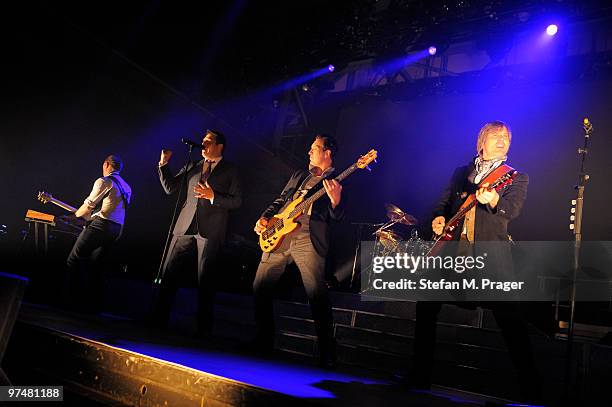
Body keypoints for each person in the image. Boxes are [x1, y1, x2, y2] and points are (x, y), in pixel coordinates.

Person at [411, 121, 541, 401]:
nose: (502, 140)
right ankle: (418, 377)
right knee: (426, 307)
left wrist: (495, 200)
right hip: (453, 252)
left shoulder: (515, 177)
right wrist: (438, 218)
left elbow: (512, 210)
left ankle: (531, 390)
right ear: (481, 142)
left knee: (511, 322)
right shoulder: (461, 173)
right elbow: (443, 203)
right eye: (496, 136)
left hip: (490, 256)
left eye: (507, 137)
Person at [252, 134, 344, 368]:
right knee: (259, 287)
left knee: (316, 294)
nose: (309, 152)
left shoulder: (338, 179)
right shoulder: (299, 174)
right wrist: (265, 218)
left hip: (308, 238)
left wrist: (335, 202)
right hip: (280, 233)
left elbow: (341, 217)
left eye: (314, 148)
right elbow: (282, 199)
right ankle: (263, 342)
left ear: (327, 153)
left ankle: (327, 353)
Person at [154, 129, 242, 337]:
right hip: (185, 225)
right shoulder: (193, 165)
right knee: (168, 274)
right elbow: (170, 187)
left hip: (211, 228)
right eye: (203, 141)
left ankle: (203, 329)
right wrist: (163, 165)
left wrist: (214, 196)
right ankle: (158, 319)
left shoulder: (231, 170)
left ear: (220, 146)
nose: (204, 144)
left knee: (206, 279)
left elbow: (237, 201)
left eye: (208, 141)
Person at [66, 154, 132, 311]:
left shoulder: (104, 181)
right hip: (117, 229)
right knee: (96, 266)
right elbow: (110, 209)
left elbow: (89, 205)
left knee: (73, 259)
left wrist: (74, 217)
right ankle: (94, 306)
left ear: (107, 164)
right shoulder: (127, 186)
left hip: (101, 227)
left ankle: (69, 301)